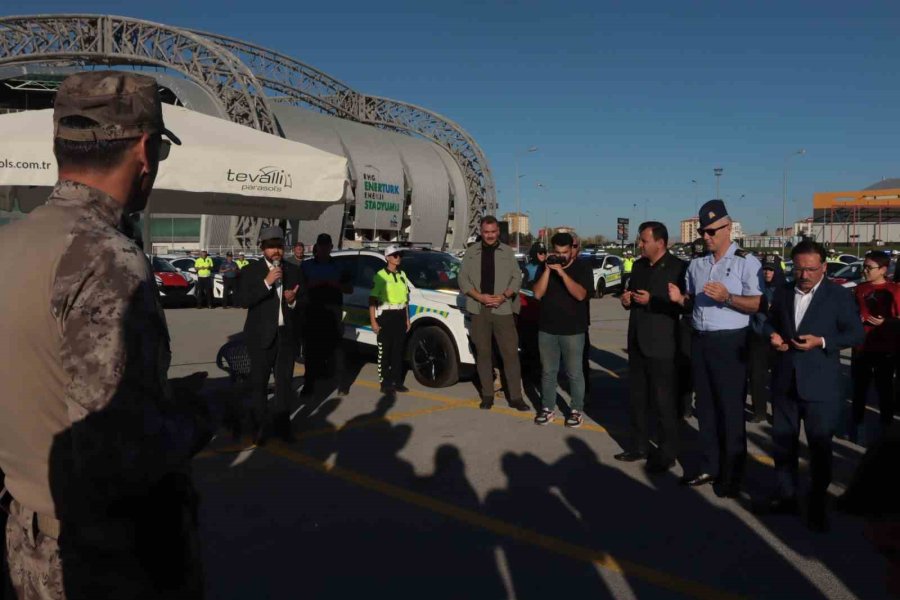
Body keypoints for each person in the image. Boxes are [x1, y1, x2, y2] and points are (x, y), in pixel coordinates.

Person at [0, 70, 213, 598]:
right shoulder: (106, 258)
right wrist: (200, 415)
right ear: (146, 149)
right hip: (105, 560)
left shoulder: (13, 242)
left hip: (28, 545)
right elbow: (118, 455)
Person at [763, 240, 864, 531]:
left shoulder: (838, 296)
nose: (804, 275)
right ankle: (786, 497)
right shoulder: (782, 293)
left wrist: (821, 342)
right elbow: (769, 322)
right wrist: (774, 336)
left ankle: (817, 504)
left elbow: (856, 334)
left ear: (823, 267)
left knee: (819, 449)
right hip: (785, 381)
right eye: (799, 269)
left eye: (810, 269)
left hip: (821, 385)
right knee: (783, 444)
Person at [668, 200, 763, 498]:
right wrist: (680, 301)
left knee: (730, 411)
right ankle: (709, 465)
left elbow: (759, 303)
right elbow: (692, 301)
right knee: (706, 410)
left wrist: (728, 298)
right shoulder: (697, 265)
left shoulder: (747, 262)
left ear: (727, 227)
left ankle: (733, 473)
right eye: (702, 231)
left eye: (711, 231)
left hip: (731, 341)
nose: (705, 237)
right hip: (701, 339)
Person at [616, 222, 687, 471]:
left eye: (644, 240)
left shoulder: (679, 268)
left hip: (663, 346)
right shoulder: (638, 266)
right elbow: (633, 296)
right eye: (640, 240)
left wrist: (652, 301)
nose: (640, 244)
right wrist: (627, 300)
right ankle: (638, 446)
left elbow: (684, 306)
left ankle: (667, 453)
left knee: (664, 403)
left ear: (661, 242)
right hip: (637, 343)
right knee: (637, 399)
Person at [459, 216, 529, 411]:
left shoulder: (507, 252)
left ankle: (515, 397)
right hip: (479, 309)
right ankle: (487, 395)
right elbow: (463, 280)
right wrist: (480, 297)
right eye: (486, 232)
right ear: (481, 232)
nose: (489, 236)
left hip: (503, 309)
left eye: (493, 232)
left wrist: (504, 296)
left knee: (510, 355)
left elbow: (517, 278)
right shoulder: (471, 252)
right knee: (483, 354)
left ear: (498, 232)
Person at [239, 226, 301, 445]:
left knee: (284, 385)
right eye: (271, 246)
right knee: (259, 385)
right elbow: (244, 300)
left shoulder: (293, 270)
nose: (276, 251)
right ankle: (258, 429)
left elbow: (304, 303)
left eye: (279, 246)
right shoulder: (251, 270)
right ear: (262, 248)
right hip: (260, 337)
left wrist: (293, 299)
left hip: (285, 336)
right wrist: (267, 282)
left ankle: (283, 427)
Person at [531, 232, 593, 427]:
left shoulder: (582, 267)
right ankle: (547, 408)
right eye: (557, 252)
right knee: (548, 372)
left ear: (572, 250)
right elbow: (537, 294)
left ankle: (576, 410)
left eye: (565, 252)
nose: (561, 256)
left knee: (574, 373)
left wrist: (562, 273)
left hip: (573, 330)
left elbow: (581, 295)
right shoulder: (545, 267)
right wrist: (549, 270)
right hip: (547, 328)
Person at [850, 251, 900, 445]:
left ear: (883, 270)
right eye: (864, 266)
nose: (865, 270)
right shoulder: (859, 289)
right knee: (859, 390)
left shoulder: (894, 290)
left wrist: (885, 322)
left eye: (869, 267)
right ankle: (857, 426)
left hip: (885, 349)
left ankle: (885, 429)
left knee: (884, 391)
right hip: (861, 348)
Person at [301, 233, 351, 395]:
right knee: (311, 351)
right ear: (317, 247)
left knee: (337, 349)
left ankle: (343, 385)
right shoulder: (306, 266)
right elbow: (299, 288)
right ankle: (309, 385)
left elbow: (349, 288)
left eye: (326, 245)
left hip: (334, 313)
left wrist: (335, 285)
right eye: (320, 245)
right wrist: (313, 285)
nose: (323, 248)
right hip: (313, 313)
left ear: (331, 247)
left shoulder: (340, 266)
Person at [747, 254, 786, 423]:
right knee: (756, 377)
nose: (768, 273)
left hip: (779, 339)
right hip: (757, 337)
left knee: (779, 380)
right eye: (765, 269)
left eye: (771, 269)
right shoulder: (755, 288)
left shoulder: (785, 290)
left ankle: (779, 413)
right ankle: (759, 411)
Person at [369, 246, 411, 395]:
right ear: (387, 258)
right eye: (394, 255)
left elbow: (406, 300)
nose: (398, 257)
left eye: (399, 255)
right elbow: (372, 300)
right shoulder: (380, 276)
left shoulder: (403, 275)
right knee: (384, 352)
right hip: (386, 316)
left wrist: (407, 319)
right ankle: (385, 383)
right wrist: (373, 321)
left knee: (398, 352)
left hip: (399, 315)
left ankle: (397, 382)